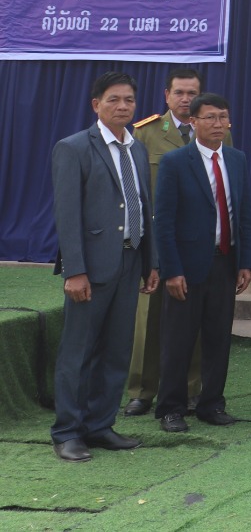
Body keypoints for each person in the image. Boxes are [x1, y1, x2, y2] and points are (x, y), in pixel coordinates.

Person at [50, 72, 160, 462]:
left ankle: (100, 425)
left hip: (130, 261)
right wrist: (74, 270)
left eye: (129, 100)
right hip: (91, 268)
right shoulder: (74, 147)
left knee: (116, 350)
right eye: (114, 100)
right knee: (78, 352)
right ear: (96, 105)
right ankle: (67, 432)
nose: (123, 106)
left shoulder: (136, 148)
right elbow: (67, 215)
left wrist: (150, 262)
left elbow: (144, 207)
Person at [151, 93, 251, 432]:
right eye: (210, 117)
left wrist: (245, 262)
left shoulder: (237, 159)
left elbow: (244, 213)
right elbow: (164, 222)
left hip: (225, 262)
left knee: (218, 338)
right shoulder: (176, 162)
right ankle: (171, 408)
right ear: (193, 122)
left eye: (223, 117)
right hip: (187, 266)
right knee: (178, 340)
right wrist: (172, 270)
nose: (218, 124)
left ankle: (212, 404)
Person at [125, 68, 206, 416]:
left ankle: (191, 388)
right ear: (166, 96)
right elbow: (135, 190)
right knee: (149, 317)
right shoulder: (146, 133)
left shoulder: (215, 129)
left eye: (192, 93)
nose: (186, 99)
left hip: (199, 241)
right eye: (179, 93)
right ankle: (142, 390)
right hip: (157, 241)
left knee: (194, 318)